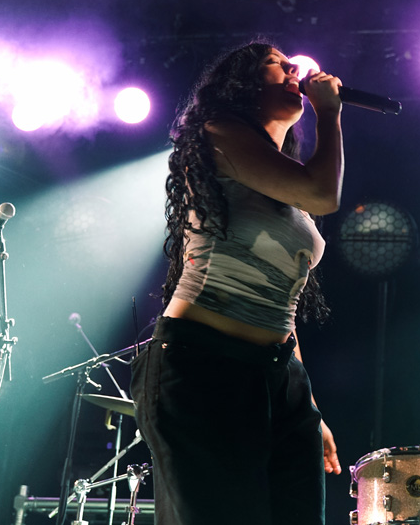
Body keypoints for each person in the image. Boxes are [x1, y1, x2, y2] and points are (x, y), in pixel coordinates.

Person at [130, 41, 345, 525]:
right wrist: (329, 115)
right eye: (277, 63)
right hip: (203, 365)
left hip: (277, 377)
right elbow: (325, 192)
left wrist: (308, 404)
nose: (294, 69)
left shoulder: (287, 191)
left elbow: (284, 306)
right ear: (240, 86)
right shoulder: (218, 133)